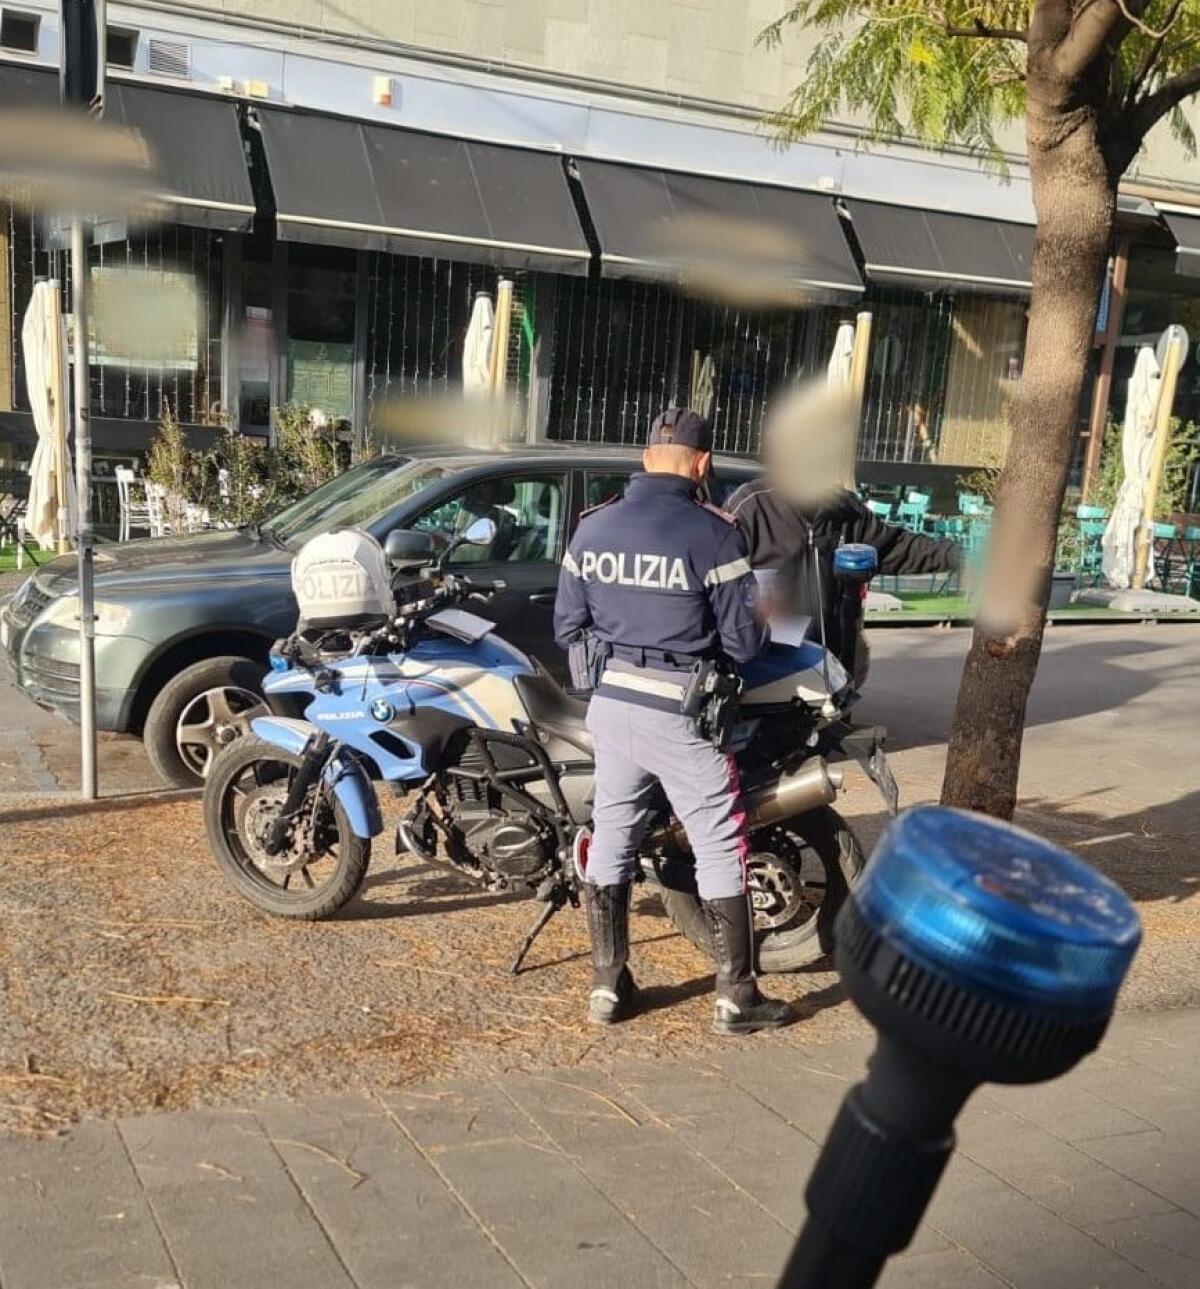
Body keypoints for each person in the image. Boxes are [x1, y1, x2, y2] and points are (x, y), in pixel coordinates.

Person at [554, 407, 791, 1036]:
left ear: (645, 455)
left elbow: (566, 627)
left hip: (612, 706)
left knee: (611, 838)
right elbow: (743, 646)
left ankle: (607, 987)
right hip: (681, 708)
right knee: (719, 841)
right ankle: (736, 998)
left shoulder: (590, 529)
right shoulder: (713, 534)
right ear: (702, 463)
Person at [726, 478, 959, 681]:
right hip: (770, 670)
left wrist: (957, 557)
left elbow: (895, 548)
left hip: (834, 665)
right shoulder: (751, 507)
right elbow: (721, 588)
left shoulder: (844, 509)